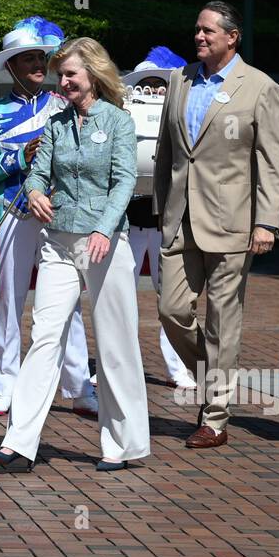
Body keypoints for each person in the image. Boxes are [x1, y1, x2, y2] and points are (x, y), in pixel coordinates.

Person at [0, 37, 149, 472]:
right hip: (57, 242)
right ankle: (19, 443)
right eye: (62, 76)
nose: (64, 81)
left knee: (115, 342)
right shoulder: (56, 124)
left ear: (92, 74)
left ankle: (122, 444)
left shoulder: (119, 122)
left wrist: (103, 227)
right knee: (44, 335)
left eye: (71, 74)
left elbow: (124, 181)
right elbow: (37, 172)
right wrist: (35, 192)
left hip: (106, 244)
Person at [154, 1, 279, 449]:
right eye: (197, 29)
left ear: (233, 37)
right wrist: (161, 209)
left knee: (222, 321)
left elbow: (272, 162)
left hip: (233, 222)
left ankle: (214, 416)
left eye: (209, 30)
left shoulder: (260, 87)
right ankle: (215, 377)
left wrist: (267, 222)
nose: (199, 36)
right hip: (181, 218)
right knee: (172, 310)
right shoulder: (179, 80)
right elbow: (168, 154)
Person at [0, 17, 96, 418]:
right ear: (11, 66)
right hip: (11, 210)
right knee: (9, 301)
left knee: (68, 301)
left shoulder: (65, 106)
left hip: (60, 213)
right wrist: (18, 157)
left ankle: (78, 386)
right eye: (28, 60)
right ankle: (5, 383)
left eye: (41, 58)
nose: (38, 66)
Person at [121, 46, 196, 390]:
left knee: (173, 298)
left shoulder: (184, 114)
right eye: (147, 85)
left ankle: (179, 365)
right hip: (129, 219)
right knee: (120, 293)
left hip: (167, 219)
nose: (154, 91)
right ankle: (117, 361)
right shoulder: (123, 113)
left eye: (160, 84)